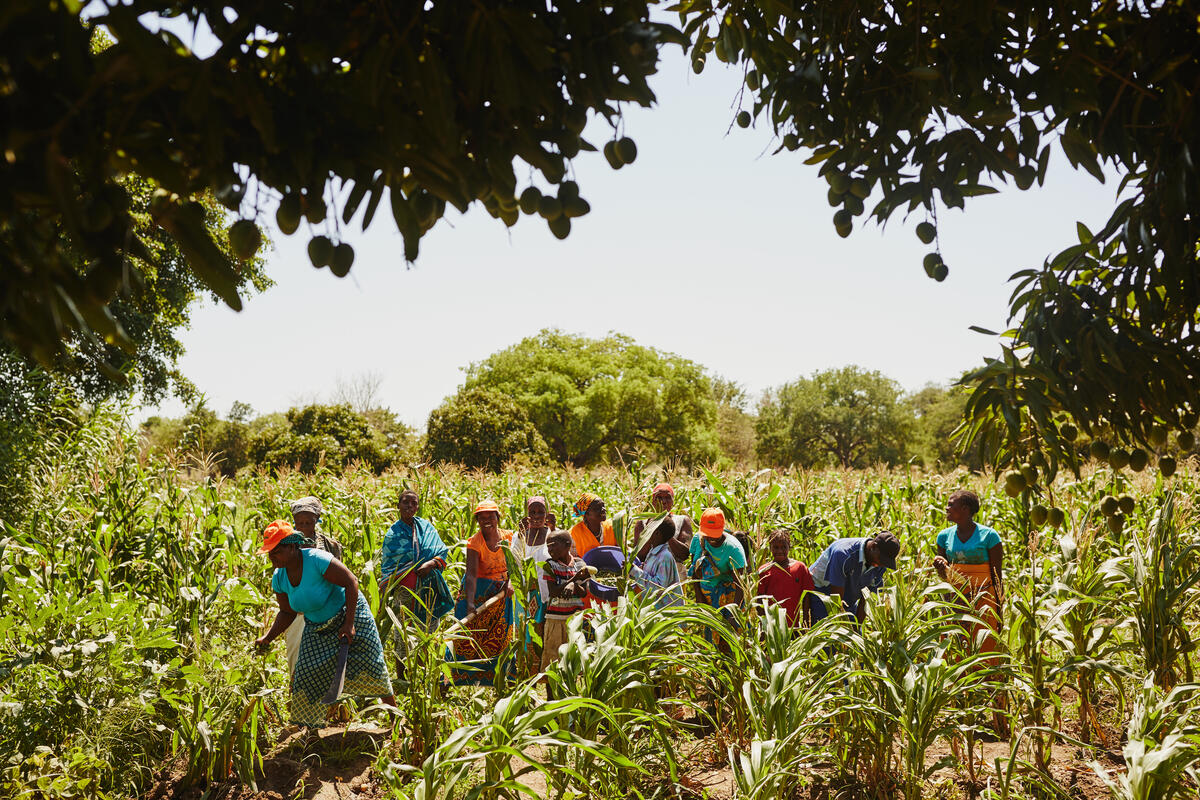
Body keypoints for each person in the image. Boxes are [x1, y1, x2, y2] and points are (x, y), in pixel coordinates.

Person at [255, 520, 394, 729]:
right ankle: (310, 733)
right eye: (269, 552)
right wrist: (268, 637)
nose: (271, 557)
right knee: (307, 676)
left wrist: (349, 624)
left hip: (350, 614)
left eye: (276, 551)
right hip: (317, 626)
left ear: (292, 547)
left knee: (372, 666)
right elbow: (287, 612)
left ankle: (396, 722)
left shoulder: (316, 560)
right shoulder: (279, 577)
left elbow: (351, 582)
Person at [378, 489, 453, 679]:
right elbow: (388, 565)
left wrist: (431, 563)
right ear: (398, 505)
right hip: (405, 592)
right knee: (402, 633)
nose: (410, 506)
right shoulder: (393, 534)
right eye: (405, 502)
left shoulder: (426, 527)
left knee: (428, 632)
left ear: (418, 506)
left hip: (429, 590)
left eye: (413, 503)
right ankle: (403, 679)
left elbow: (441, 551)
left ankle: (425, 676)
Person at [448, 499, 514, 685]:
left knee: (500, 639)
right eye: (482, 518)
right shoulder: (474, 542)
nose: (487, 521)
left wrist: (510, 583)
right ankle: (451, 681)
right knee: (466, 640)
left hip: (501, 596)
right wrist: (470, 603)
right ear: (477, 521)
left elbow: (516, 567)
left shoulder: (509, 538)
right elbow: (470, 575)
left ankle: (501, 681)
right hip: (477, 594)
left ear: (497, 518)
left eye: (491, 516)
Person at [934, 490, 1003, 660]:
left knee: (984, 640)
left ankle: (986, 683)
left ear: (965, 509)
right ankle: (958, 683)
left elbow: (997, 575)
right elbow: (944, 573)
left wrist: (999, 608)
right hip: (955, 597)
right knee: (955, 639)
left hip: (984, 597)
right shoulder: (944, 536)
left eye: (951, 504)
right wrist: (940, 563)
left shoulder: (989, 536)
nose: (947, 508)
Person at [283, 497, 344, 683]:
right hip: (298, 614)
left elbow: (341, 580)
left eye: (308, 522)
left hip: (326, 614)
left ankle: (329, 709)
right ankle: (297, 701)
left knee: (326, 665)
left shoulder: (331, 546)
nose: (303, 527)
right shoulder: (286, 546)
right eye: (299, 523)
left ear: (317, 520)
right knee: (297, 661)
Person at [808, 531, 900, 624]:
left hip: (848, 600)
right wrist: (843, 627)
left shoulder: (880, 564)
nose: (882, 564)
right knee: (826, 632)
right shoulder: (843, 554)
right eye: (882, 560)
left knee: (856, 635)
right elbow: (836, 599)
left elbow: (867, 599)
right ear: (873, 547)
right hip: (823, 594)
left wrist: (857, 627)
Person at [539, 530, 591, 675]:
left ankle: (570, 693)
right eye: (548, 547)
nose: (550, 550)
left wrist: (574, 585)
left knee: (572, 659)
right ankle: (551, 697)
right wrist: (573, 581)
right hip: (555, 620)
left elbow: (583, 592)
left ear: (567, 545)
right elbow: (553, 592)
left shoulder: (580, 565)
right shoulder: (549, 566)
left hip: (574, 621)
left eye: (553, 546)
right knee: (552, 660)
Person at [512, 497, 554, 667]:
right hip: (523, 594)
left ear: (547, 515)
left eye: (541, 512)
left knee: (541, 633)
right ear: (527, 515)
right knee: (523, 632)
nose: (536, 516)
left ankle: (539, 671)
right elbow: (513, 563)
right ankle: (523, 671)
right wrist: (521, 532)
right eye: (532, 512)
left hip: (544, 594)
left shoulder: (552, 534)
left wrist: (554, 528)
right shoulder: (519, 535)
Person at [688, 508, 747, 613]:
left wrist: (734, 613)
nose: (710, 537)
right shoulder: (697, 540)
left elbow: (741, 585)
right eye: (707, 533)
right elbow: (695, 572)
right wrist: (699, 598)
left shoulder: (733, 549)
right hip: (706, 596)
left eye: (714, 533)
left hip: (731, 600)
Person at [756, 530, 814, 627]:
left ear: (789, 547)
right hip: (772, 626)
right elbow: (760, 600)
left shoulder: (800, 568)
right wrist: (762, 625)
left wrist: (805, 621)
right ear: (770, 548)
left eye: (783, 547)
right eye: (776, 547)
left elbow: (806, 596)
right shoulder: (764, 570)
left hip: (793, 626)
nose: (780, 551)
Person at [631, 515, 685, 610]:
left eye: (648, 529)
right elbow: (652, 574)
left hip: (665, 611)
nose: (645, 532)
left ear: (657, 533)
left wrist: (635, 571)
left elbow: (658, 588)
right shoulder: (653, 551)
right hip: (654, 608)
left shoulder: (665, 557)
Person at [632, 482, 693, 563]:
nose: (663, 501)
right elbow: (638, 556)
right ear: (652, 502)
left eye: (668, 497)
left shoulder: (682, 521)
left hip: (675, 573)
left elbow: (684, 554)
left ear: (672, 501)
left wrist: (666, 530)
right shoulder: (642, 523)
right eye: (659, 497)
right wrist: (650, 530)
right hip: (648, 572)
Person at [568, 492, 616, 558]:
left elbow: (623, 551)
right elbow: (572, 560)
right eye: (597, 508)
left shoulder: (612, 526)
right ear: (586, 514)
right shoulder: (574, 534)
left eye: (603, 506)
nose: (603, 509)